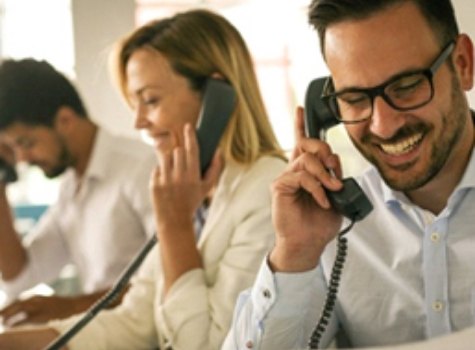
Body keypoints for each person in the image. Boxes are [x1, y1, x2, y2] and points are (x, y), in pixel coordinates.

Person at [0, 9, 287, 350]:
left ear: (217, 95)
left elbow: (207, 344)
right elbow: (135, 320)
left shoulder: (268, 192)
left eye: (150, 100)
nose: (138, 123)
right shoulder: (192, 192)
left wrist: (175, 226)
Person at [223, 0, 475, 349]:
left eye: (406, 87)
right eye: (355, 99)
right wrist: (294, 254)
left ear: (462, 64)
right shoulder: (333, 225)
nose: (383, 126)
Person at [0, 59, 156, 326]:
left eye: (26, 143)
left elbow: (170, 281)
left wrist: (71, 307)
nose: (22, 159)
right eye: (12, 148)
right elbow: (19, 276)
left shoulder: (141, 169)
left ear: (65, 120)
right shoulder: (71, 188)